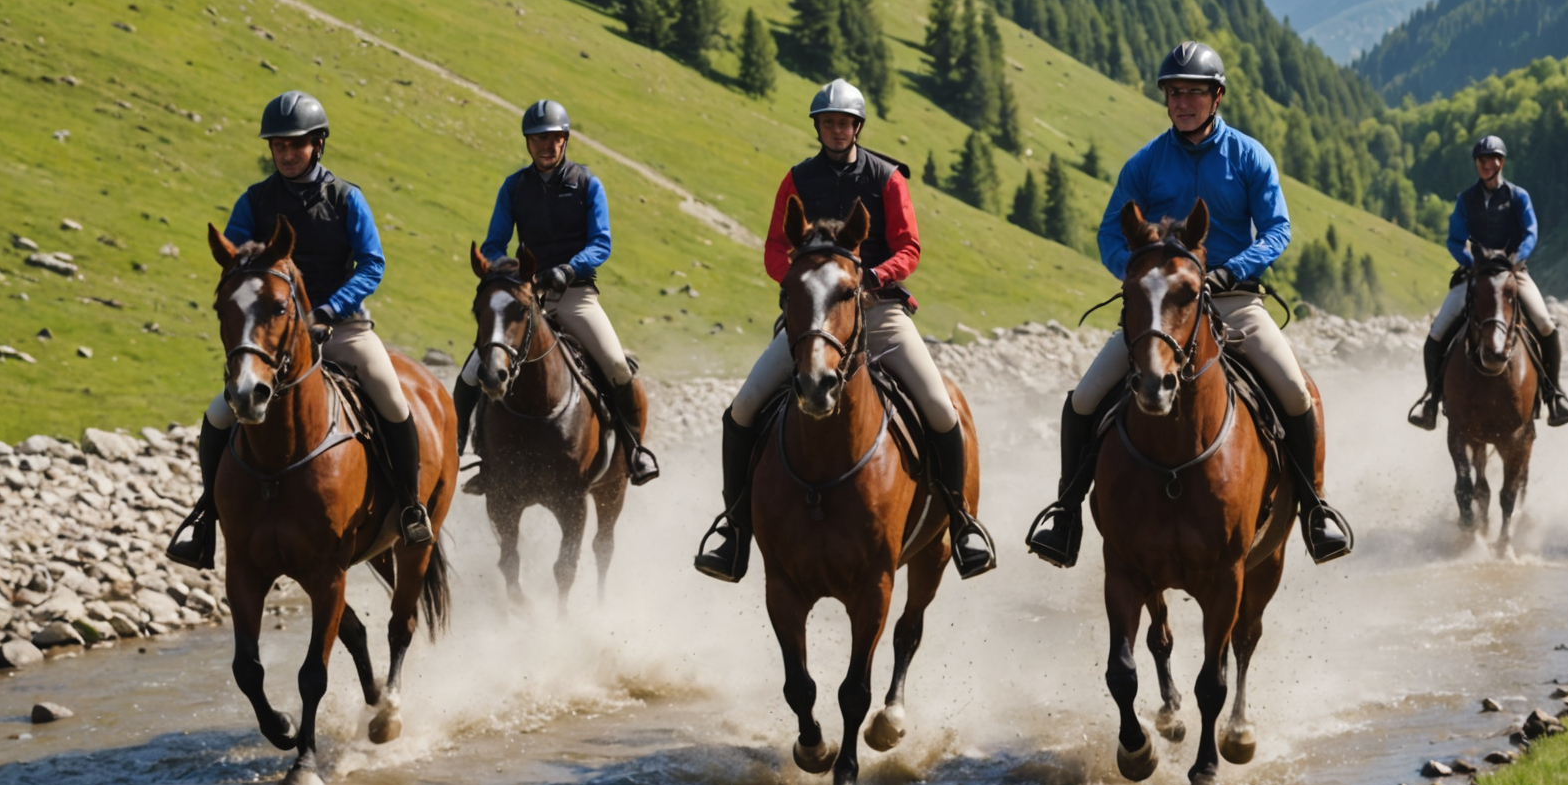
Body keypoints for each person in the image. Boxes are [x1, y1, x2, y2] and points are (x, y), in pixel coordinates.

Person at [1025, 42, 1353, 569]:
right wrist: (1138, 277)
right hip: (1164, 309)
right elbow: (1112, 232)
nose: (1182, 102)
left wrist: (1232, 269)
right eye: (1174, 92)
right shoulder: (1146, 162)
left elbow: (1278, 229)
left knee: (1295, 392)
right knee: (1085, 398)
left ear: (1216, 97)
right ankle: (1066, 513)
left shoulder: (1249, 157)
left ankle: (1315, 509)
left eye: (1194, 92)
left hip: (1234, 299)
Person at [692, 80, 997, 583]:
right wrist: (799, 279)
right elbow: (774, 246)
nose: (836, 130)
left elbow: (909, 247)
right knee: (744, 408)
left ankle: (961, 523)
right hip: (817, 315)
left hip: (878, 309)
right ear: (818, 127)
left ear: (857, 127)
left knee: (941, 409)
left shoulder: (887, 177)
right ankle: (736, 528)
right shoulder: (796, 180)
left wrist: (872, 278)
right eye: (828, 122)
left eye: (844, 123)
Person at [166, 91, 430, 569]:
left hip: (342, 325)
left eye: (297, 145)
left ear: (318, 144)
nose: (286, 154)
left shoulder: (346, 198)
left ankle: (411, 506)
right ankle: (207, 517)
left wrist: (330, 309)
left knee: (391, 397)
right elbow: (237, 260)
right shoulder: (256, 200)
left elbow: (372, 264)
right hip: (275, 336)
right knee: (218, 416)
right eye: (279, 146)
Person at [456, 100, 659, 485]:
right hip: (526, 298)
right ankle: (469, 451)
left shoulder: (587, 184)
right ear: (528, 144)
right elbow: (494, 244)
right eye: (538, 140)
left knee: (616, 366)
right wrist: (509, 271)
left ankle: (635, 452)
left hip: (575, 294)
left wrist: (569, 268)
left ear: (565, 140)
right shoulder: (514, 188)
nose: (546, 146)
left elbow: (601, 242)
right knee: (471, 373)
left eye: (553, 139)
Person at [1408, 135, 1568, 430]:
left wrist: (1515, 261)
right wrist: (1472, 264)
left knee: (1546, 324)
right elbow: (1454, 240)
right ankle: (1431, 400)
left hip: (1514, 273)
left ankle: (1554, 395)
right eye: (1483, 160)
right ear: (1477, 164)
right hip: (1476, 274)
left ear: (1502, 162)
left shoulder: (1518, 196)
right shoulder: (1466, 199)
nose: (1489, 164)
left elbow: (1531, 233)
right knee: (1436, 333)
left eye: (1494, 159)